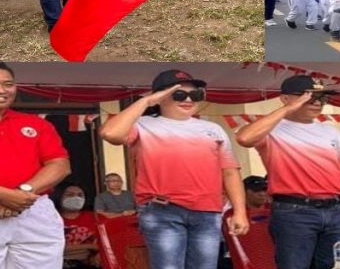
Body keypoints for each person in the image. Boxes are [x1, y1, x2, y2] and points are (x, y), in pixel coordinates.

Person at [98, 69, 249, 268]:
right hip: (162, 210)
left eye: (195, 94)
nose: (188, 99)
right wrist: (145, 102)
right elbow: (109, 133)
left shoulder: (213, 129)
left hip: (208, 211)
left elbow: (230, 171)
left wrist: (239, 211)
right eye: (178, 94)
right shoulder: (142, 125)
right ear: (160, 97)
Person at [236, 75, 340, 268]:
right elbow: (244, 138)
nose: (317, 102)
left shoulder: (331, 131)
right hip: (294, 211)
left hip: (337, 209)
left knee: (337, 265)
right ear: (285, 98)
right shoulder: (271, 129)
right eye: (308, 97)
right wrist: (288, 110)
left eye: (322, 97)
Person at [0, 62, 71, 269]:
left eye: (8, 84)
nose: (1, 90)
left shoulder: (37, 124)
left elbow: (60, 165)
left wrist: (21, 192)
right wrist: (3, 194)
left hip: (33, 209)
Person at [52, 182, 99, 268]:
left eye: (80, 195)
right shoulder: (50, 219)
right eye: (70, 195)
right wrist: (91, 246)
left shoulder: (96, 217)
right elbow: (50, 249)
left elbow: (108, 245)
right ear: (59, 196)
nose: (76, 198)